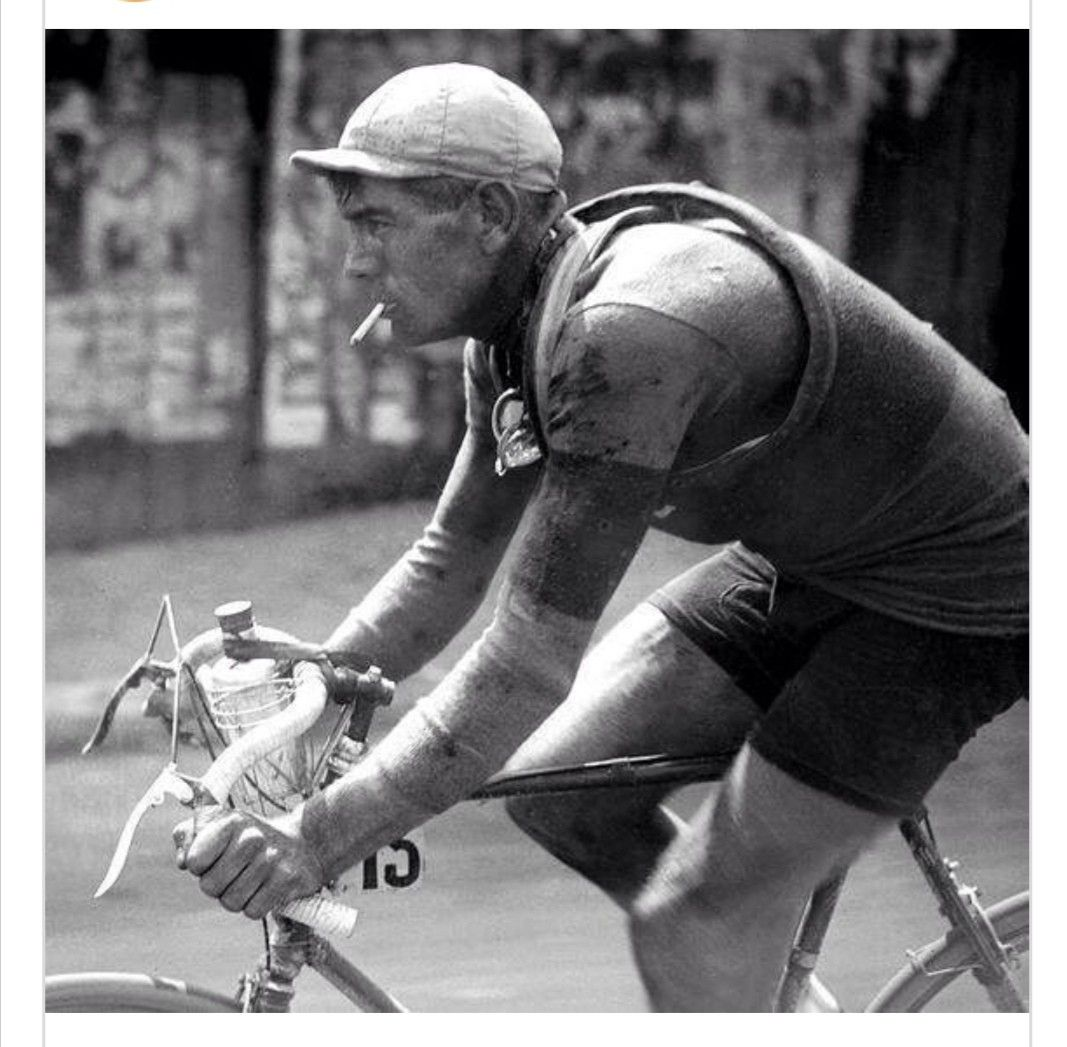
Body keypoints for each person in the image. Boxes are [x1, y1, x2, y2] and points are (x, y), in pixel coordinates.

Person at [174, 63, 1029, 1012]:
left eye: (376, 224)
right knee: (557, 790)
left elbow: (525, 664)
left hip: (961, 590)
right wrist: (312, 678)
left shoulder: (625, 336)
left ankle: (721, 960)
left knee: (691, 923)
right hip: (815, 554)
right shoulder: (511, 336)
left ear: (491, 214)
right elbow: (447, 560)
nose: (354, 265)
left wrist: (316, 837)